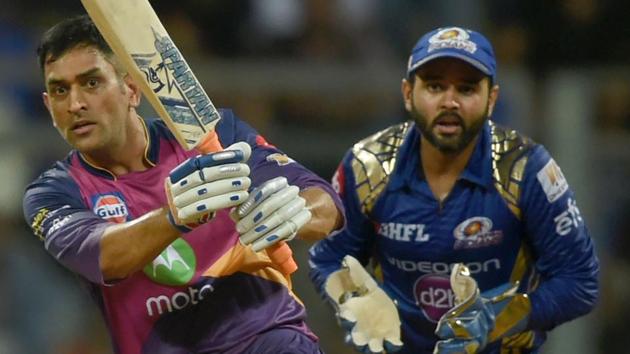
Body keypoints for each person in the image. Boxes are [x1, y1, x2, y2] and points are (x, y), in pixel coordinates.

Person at [23, 15, 343, 354]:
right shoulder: (51, 193)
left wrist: (296, 210)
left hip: (268, 339)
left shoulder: (215, 134)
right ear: (48, 105)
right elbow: (102, 256)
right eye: (60, 90)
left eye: (91, 83)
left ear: (131, 90)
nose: (75, 104)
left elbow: (327, 204)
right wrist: (174, 216)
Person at [309, 26, 599, 354]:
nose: (450, 102)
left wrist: (499, 317)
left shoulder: (526, 169)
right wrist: (353, 301)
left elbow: (579, 281)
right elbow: (328, 257)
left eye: (467, 88)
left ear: (491, 99)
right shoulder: (366, 166)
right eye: (434, 86)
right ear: (407, 94)